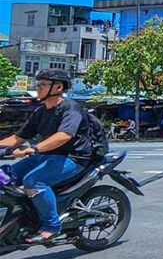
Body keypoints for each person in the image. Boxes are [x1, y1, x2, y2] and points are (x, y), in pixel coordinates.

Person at [0, 69, 95, 243]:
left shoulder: (70, 108)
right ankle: (23, 216)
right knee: (5, 177)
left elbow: (64, 136)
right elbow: (17, 137)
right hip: (46, 156)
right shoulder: (41, 111)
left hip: (73, 158)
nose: (38, 88)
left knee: (34, 181)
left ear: (58, 87)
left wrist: (34, 148)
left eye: (43, 85)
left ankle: (51, 226)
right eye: (38, 84)